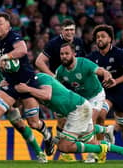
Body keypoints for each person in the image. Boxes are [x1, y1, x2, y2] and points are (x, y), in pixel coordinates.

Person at [0, 12, 54, 163]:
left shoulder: (14, 37)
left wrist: (6, 56)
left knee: (33, 123)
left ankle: (48, 137)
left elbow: (22, 50)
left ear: (8, 26)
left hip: (27, 83)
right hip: (10, 85)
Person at [14, 72, 123, 163]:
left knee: (64, 146)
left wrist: (27, 89)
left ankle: (103, 144)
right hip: (77, 109)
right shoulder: (30, 89)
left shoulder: (40, 78)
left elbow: (46, 95)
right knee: (92, 142)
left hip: (78, 109)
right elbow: (18, 103)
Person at [35, 18, 85, 161]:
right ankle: (64, 153)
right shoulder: (53, 44)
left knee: (75, 119)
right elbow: (39, 61)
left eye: (72, 30)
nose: (70, 32)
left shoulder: (79, 42)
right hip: (60, 87)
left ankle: (57, 143)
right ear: (61, 30)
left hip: (76, 86)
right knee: (62, 120)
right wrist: (53, 77)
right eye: (67, 29)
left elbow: (82, 62)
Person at [55, 42, 114, 163]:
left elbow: (101, 71)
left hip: (95, 95)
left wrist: (107, 75)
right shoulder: (60, 71)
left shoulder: (84, 63)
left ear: (74, 54)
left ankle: (92, 154)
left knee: (89, 122)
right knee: (83, 126)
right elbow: (55, 86)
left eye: (67, 53)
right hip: (81, 99)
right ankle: (106, 130)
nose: (64, 56)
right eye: (62, 54)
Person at [88, 24, 123, 148]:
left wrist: (116, 81)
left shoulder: (119, 53)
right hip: (104, 94)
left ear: (110, 39)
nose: (99, 39)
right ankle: (101, 149)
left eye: (103, 36)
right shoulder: (92, 57)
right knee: (100, 114)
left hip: (121, 93)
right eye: (97, 37)